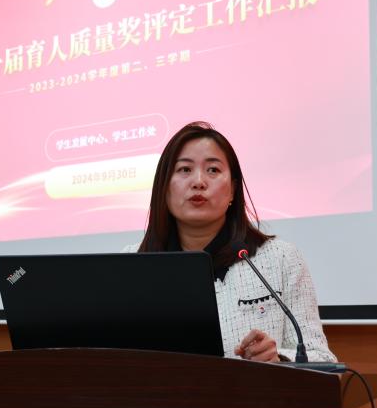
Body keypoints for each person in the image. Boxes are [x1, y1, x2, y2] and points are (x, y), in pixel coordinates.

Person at [132, 121, 336, 364]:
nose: (198, 182)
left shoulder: (281, 258)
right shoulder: (133, 264)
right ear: (164, 187)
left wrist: (279, 359)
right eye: (184, 169)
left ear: (232, 190)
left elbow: (322, 359)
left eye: (213, 170)